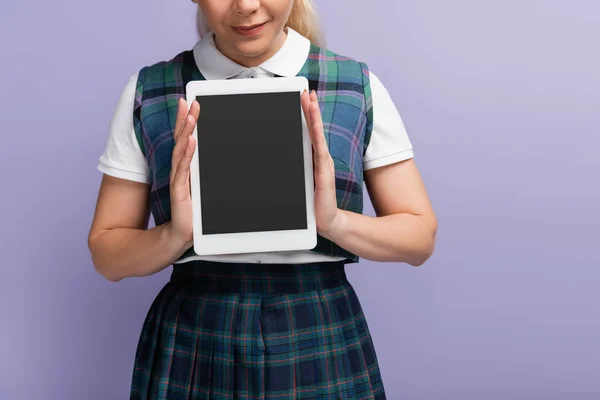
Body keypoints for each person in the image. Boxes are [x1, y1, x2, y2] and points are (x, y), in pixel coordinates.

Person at [88, 0, 437, 398]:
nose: (247, 6)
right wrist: (175, 235)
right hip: (195, 335)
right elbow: (107, 255)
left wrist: (334, 222)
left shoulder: (356, 85)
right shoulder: (150, 89)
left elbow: (419, 238)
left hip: (320, 326)